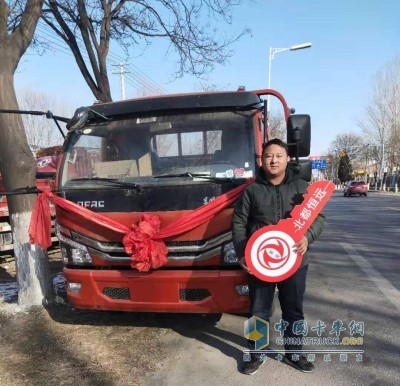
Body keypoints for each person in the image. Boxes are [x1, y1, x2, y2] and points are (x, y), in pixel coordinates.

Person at [232, 138, 325, 375]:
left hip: (295, 260)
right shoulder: (252, 190)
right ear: (262, 161)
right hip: (260, 263)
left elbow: (318, 219)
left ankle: (294, 353)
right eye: (268, 156)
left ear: (287, 159)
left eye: (278, 156)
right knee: (258, 311)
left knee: (293, 310)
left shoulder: (301, 187)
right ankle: (256, 353)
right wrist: (243, 253)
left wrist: (308, 237)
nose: (273, 160)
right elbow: (239, 222)